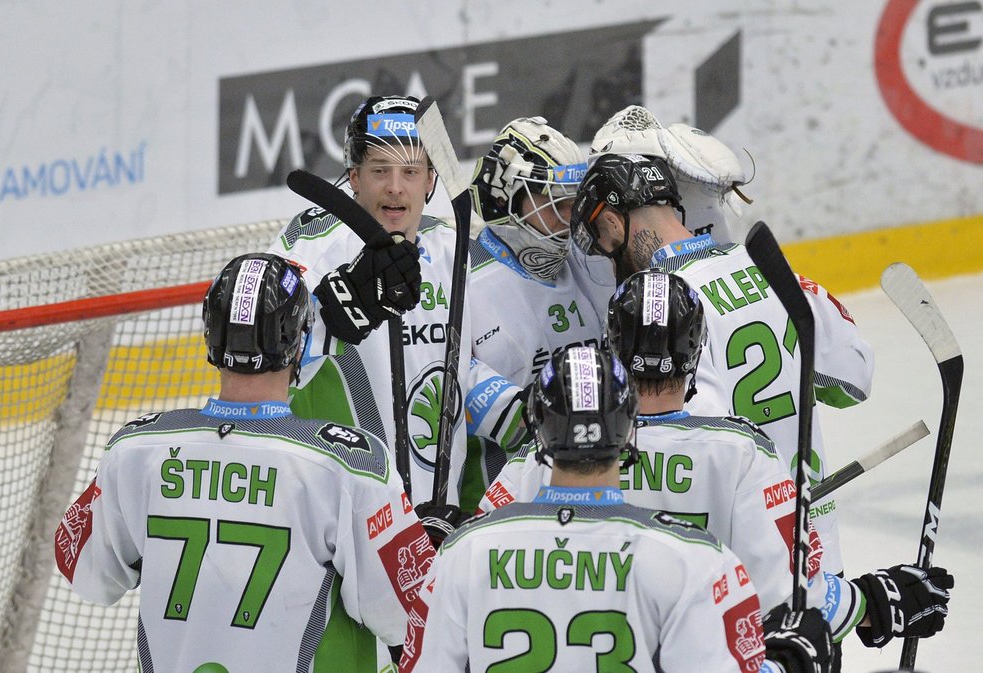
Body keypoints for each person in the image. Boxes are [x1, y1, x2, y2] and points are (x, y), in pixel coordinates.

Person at [478, 269, 954, 652]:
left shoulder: (547, 458)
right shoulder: (742, 455)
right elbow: (794, 594)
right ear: (695, 353)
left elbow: (466, 552)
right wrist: (878, 600)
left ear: (613, 349)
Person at [54, 253, 435, 673]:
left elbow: (83, 568)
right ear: (300, 341)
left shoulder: (135, 451)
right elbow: (412, 615)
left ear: (210, 336)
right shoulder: (348, 465)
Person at [401, 345, 833, 673]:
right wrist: (787, 664)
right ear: (630, 431)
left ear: (539, 428)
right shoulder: (697, 561)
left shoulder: (461, 554)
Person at [569, 143, 875, 580]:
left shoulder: (650, 307)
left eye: (602, 237)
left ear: (615, 222)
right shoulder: (771, 269)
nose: (605, 252)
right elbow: (856, 378)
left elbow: (684, 448)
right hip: (818, 560)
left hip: (731, 573)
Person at [267, 95, 522, 514]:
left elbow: (460, 366)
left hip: (439, 511)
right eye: (379, 170)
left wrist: (516, 410)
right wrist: (332, 310)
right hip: (336, 512)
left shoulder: (455, 251)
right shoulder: (313, 242)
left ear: (430, 181)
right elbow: (267, 350)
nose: (395, 187)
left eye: (410, 171)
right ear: (354, 177)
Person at [461, 116, 614, 508]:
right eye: (554, 205)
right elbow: (510, 422)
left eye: (572, 204)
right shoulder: (458, 282)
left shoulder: (589, 263)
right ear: (505, 201)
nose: (569, 221)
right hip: (498, 509)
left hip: (592, 488)